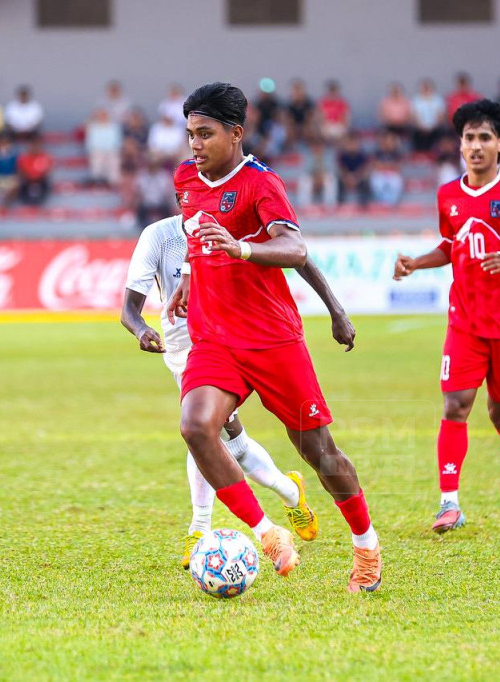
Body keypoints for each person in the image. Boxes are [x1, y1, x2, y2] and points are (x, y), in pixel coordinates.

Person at [165, 82, 381, 592]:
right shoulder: (185, 178)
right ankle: (268, 534)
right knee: (196, 427)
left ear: (235, 133)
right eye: (190, 133)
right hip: (214, 339)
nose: (195, 144)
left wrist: (334, 308)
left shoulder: (261, 183)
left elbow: (296, 249)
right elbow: (197, 236)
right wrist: (189, 277)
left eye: (206, 133)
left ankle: (366, 545)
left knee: (319, 453)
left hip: (272, 339)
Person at [123, 213, 361, 567]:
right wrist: (141, 329)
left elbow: (297, 254)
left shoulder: (235, 215)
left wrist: (335, 310)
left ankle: (200, 528)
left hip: (231, 336)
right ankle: (290, 492)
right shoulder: (159, 236)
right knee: (226, 441)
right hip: (182, 345)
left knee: (208, 432)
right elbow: (128, 309)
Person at [393, 99, 500, 534]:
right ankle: (449, 503)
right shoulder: (448, 194)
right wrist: (416, 263)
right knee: (455, 405)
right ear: (460, 144)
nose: (475, 145)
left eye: (485, 137)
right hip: (465, 322)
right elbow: (452, 245)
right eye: (468, 137)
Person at [411, 78, 447, 153]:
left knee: (441, 133)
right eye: (424, 87)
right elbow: (414, 115)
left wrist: (433, 126)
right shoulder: (416, 100)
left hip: (435, 127)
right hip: (420, 128)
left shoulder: (438, 100)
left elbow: (441, 115)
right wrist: (421, 126)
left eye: (428, 87)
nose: (426, 89)